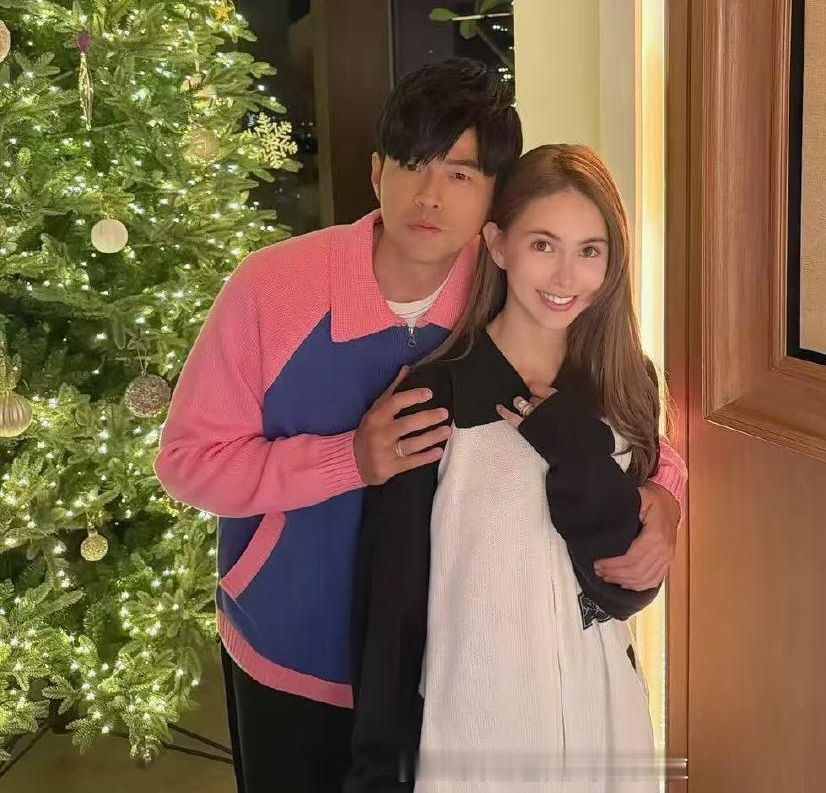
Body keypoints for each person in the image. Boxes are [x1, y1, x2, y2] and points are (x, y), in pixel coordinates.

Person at [154, 60, 686, 793]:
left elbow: (617, 401)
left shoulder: (513, 291)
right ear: (377, 172)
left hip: (441, 677)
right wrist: (348, 460)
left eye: (461, 174)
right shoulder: (272, 290)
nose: (430, 196)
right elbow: (188, 463)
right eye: (411, 165)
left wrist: (665, 496)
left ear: (496, 199)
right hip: (293, 651)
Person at [347, 144, 672, 793]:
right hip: (473, 742)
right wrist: (378, 771)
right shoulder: (435, 397)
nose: (565, 275)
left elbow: (622, 590)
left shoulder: (626, 385)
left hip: (603, 729)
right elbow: (392, 611)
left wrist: (599, 466)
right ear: (497, 245)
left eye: (589, 250)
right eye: (543, 245)